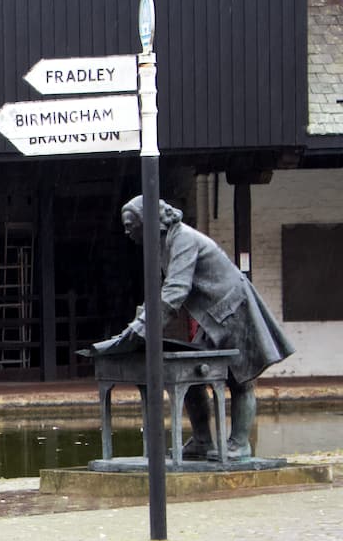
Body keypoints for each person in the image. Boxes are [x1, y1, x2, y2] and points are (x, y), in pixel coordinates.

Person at [98, 195, 294, 461]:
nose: (127, 231)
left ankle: (240, 443)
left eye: (132, 224)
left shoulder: (183, 240)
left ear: (150, 221)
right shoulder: (162, 245)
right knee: (191, 374)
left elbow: (176, 291)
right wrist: (134, 328)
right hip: (212, 316)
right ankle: (202, 441)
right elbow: (159, 293)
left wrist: (141, 329)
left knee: (241, 380)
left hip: (235, 310)